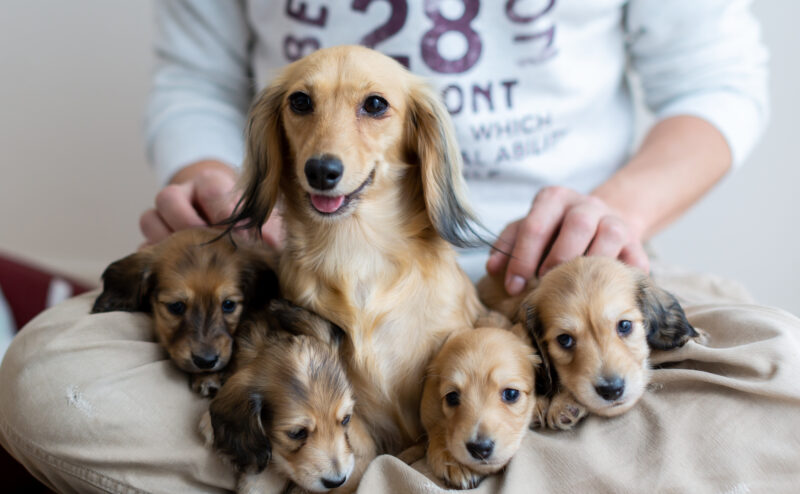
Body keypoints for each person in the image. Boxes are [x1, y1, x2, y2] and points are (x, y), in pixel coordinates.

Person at [3, 2, 799, 493]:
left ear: (415, 132)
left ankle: (342, 470)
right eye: (305, 108)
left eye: (372, 109)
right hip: (281, 264)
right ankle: (494, 464)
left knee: (780, 365)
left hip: (557, 281)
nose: (328, 144)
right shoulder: (280, 168)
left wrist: (614, 213)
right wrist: (217, 185)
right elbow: (195, 81)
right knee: (45, 379)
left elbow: (718, 78)